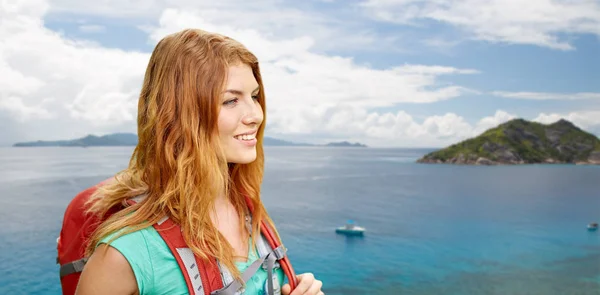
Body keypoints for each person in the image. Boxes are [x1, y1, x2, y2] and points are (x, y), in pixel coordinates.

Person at [74, 28, 324, 295]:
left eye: (253, 96)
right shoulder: (125, 253)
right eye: (231, 100)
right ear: (180, 115)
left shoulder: (249, 213)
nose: (255, 115)